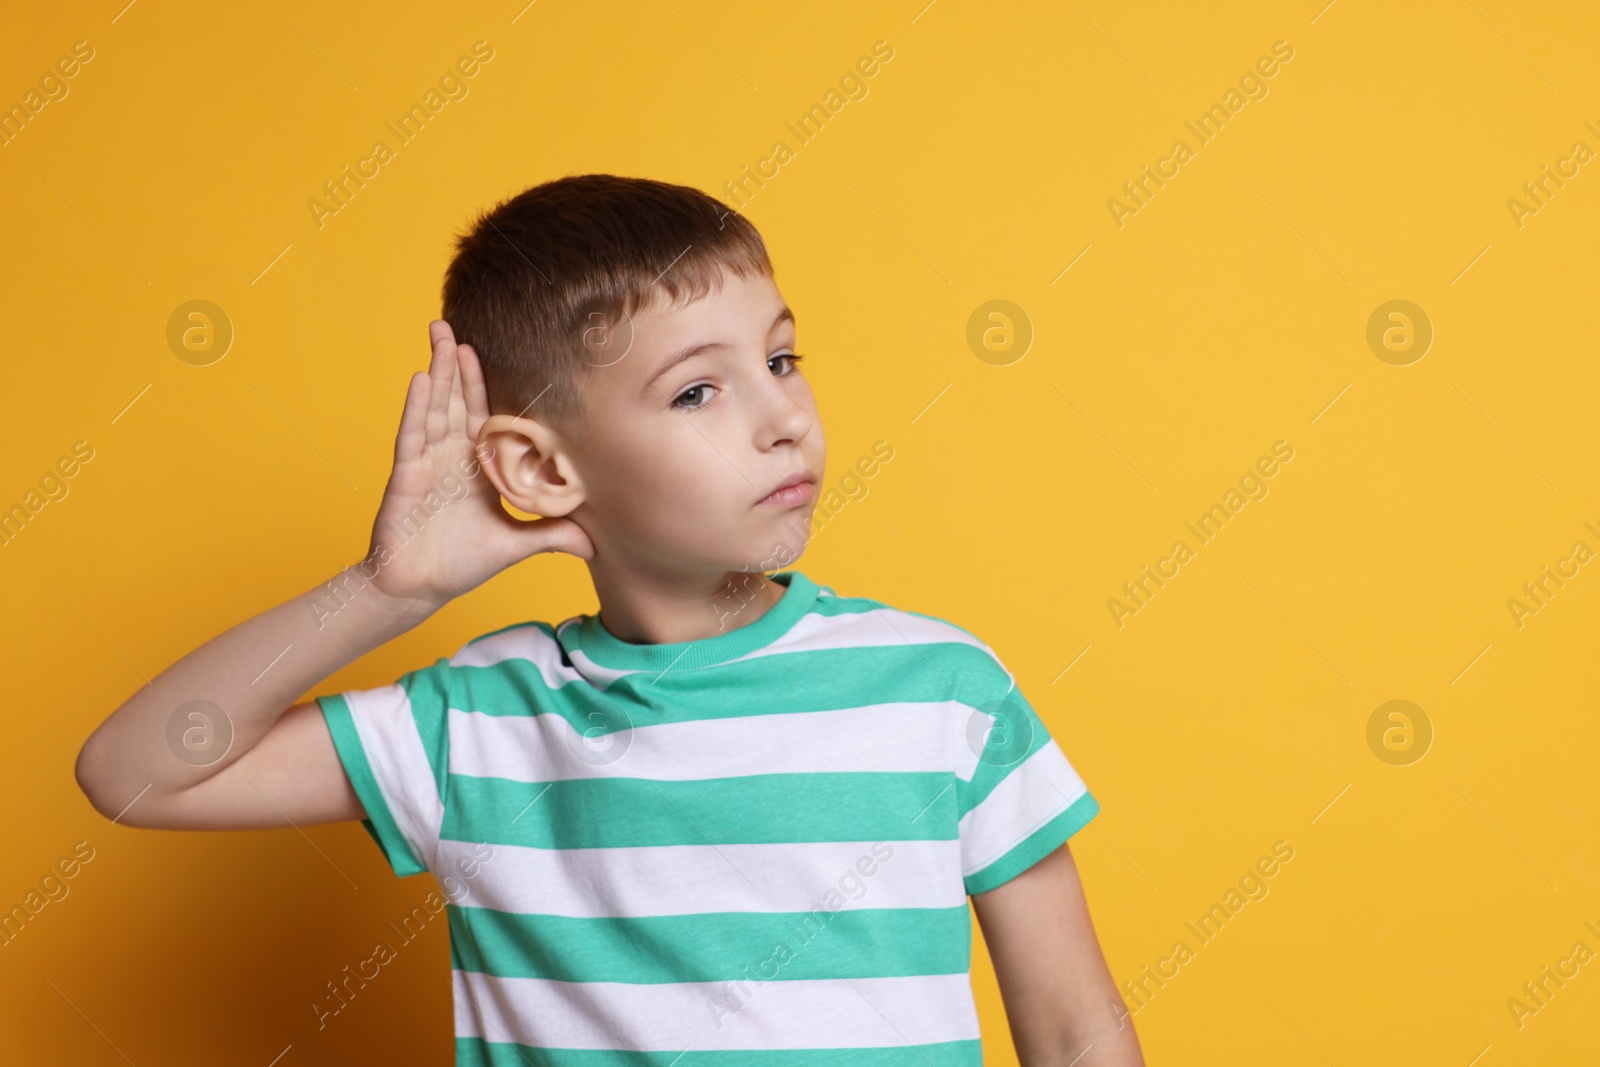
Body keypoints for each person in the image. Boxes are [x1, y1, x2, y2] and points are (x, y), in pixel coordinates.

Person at [75, 174, 1143, 1066]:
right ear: (540, 466)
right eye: (695, 392)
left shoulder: (940, 688)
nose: (784, 418)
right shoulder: (480, 722)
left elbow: (1073, 1027)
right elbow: (135, 770)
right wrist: (389, 591)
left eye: (779, 360)